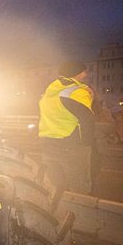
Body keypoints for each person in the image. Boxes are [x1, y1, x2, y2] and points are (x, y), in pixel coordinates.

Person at [38, 61, 95, 194]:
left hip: (47, 143)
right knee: (79, 187)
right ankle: (80, 214)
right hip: (71, 144)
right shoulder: (77, 91)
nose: (86, 74)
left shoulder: (49, 93)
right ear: (78, 73)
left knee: (55, 186)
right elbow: (87, 119)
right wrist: (86, 144)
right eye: (84, 71)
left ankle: (56, 213)